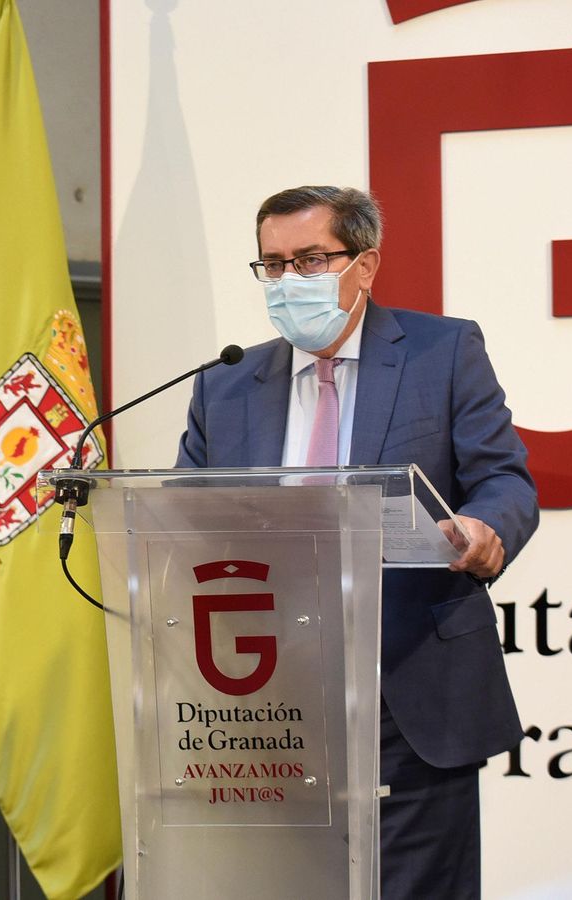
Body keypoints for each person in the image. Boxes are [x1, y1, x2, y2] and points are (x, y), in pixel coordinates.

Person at [175, 185, 538, 899]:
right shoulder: (225, 384)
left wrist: (484, 528)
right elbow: (184, 518)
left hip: (405, 686)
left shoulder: (443, 351)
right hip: (264, 700)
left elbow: (503, 480)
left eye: (310, 260)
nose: (288, 281)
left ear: (365, 266)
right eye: (272, 265)